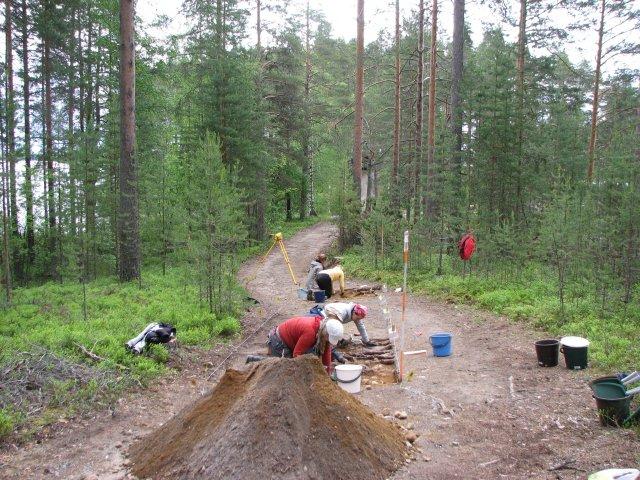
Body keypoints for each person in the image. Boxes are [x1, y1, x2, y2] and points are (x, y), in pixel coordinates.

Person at [265, 315, 344, 373]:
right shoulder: (310, 332)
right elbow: (297, 355)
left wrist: (327, 374)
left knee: (312, 356)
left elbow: (326, 353)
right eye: (329, 338)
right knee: (288, 370)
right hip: (279, 341)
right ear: (326, 333)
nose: (329, 341)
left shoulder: (323, 330)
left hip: (292, 342)